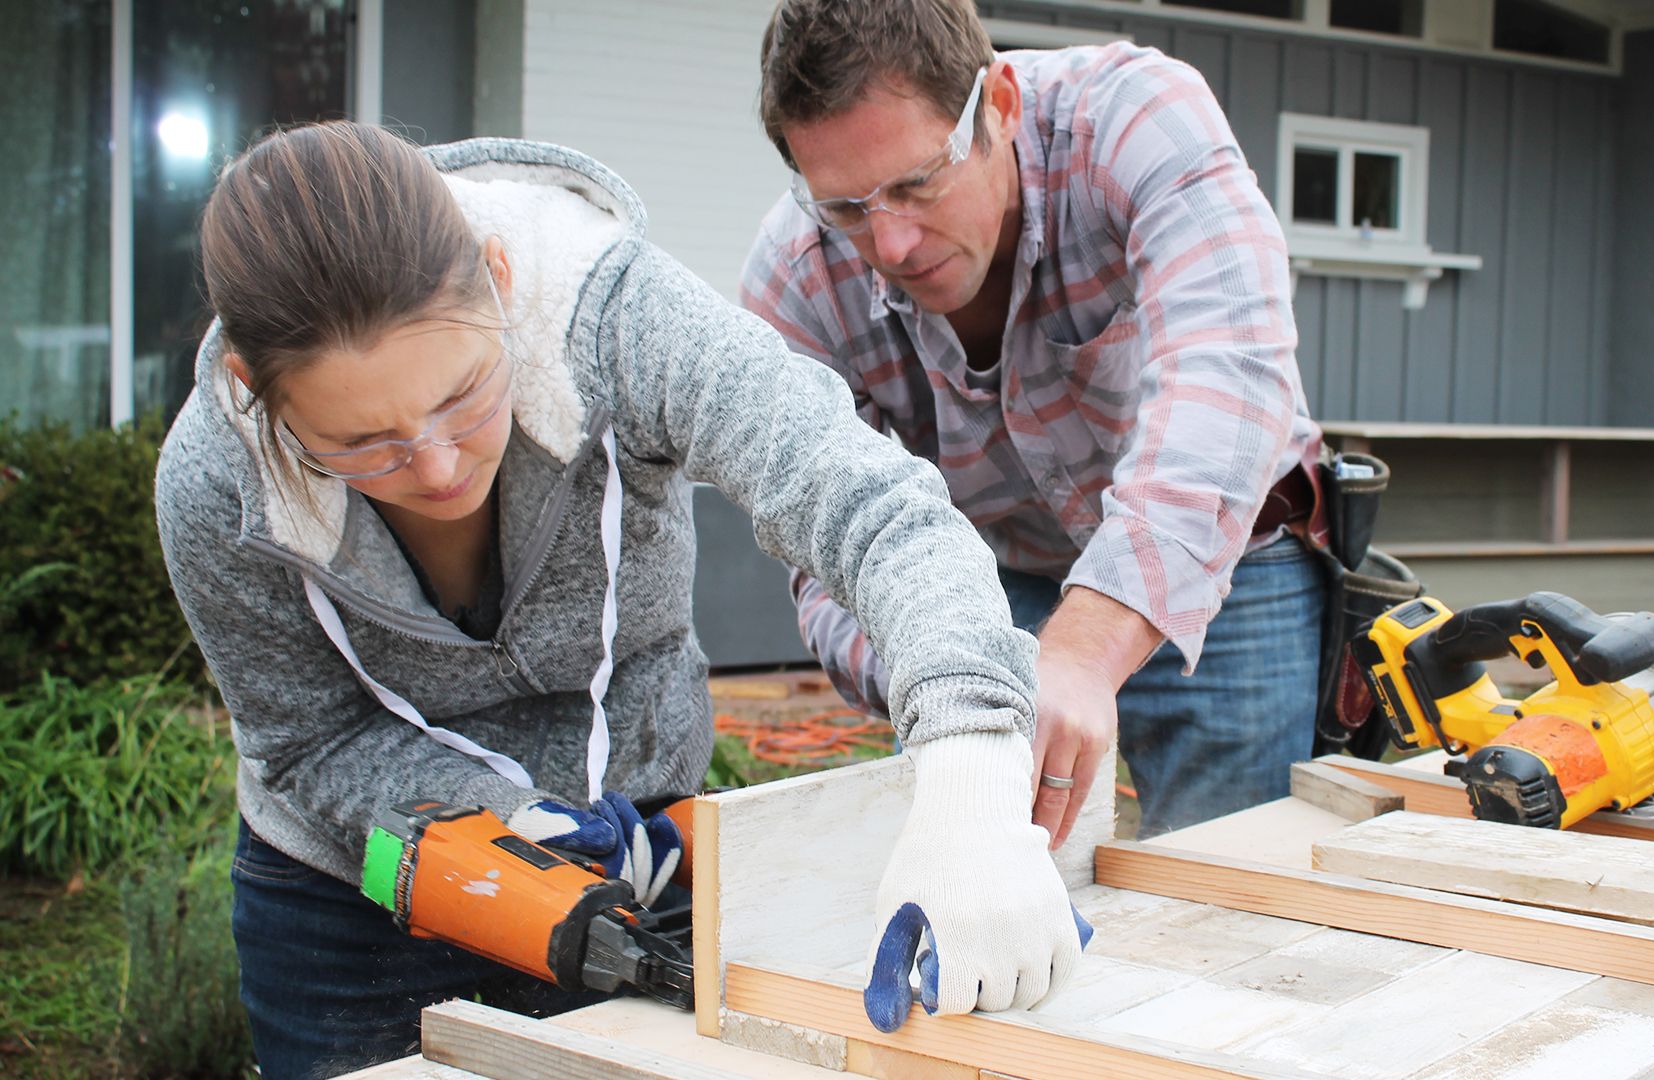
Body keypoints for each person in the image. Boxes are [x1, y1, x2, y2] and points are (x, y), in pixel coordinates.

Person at [155, 121, 1081, 1079]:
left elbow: (872, 505)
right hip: (352, 895)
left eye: (464, 397)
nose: (434, 466)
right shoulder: (217, 484)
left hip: (645, 845)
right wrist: (505, 820)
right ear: (252, 391)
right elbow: (307, 739)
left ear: (500, 275)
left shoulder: (617, 320)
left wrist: (971, 774)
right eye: (365, 444)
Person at [743, 0, 1327, 843]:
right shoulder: (796, 278)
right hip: (994, 584)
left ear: (1001, 106)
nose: (893, 243)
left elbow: (1228, 369)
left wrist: (1084, 653)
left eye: (916, 182)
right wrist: (940, 673)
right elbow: (824, 552)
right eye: (847, 208)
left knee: (1231, 882)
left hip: (1228, 555)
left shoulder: (1134, 120)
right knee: (995, 876)